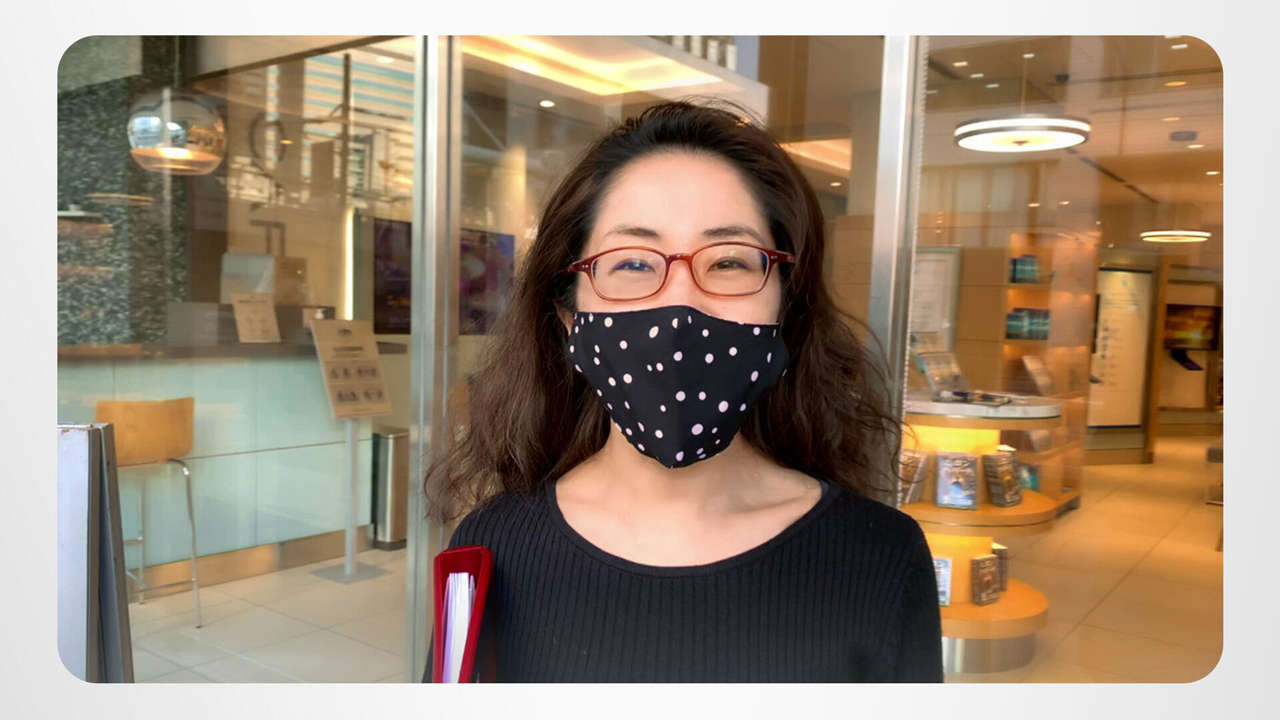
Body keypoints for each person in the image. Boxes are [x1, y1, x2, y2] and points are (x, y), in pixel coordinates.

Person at [423, 99, 943, 682]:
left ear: (784, 308)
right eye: (632, 264)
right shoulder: (491, 549)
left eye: (728, 262)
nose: (680, 305)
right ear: (569, 318)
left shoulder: (881, 557)